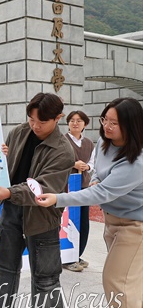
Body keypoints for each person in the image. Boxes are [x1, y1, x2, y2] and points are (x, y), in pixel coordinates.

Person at [37, 97, 143, 308]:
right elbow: (98, 174)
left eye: (114, 123)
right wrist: (94, 179)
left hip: (135, 227)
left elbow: (101, 194)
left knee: (118, 284)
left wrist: (58, 199)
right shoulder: (106, 144)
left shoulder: (136, 161)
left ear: (132, 124)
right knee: (131, 286)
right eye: (105, 119)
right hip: (113, 222)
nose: (107, 126)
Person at [0, 92, 74, 308]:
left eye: (41, 121)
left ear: (58, 118)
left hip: (43, 218)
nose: (35, 125)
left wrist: (9, 193)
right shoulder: (19, 132)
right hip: (11, 211)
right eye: (31, 119)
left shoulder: (63, 150)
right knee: (5, 266)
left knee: (46, 276)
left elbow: (42, 187)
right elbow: (6, 170)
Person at [63, 110, 96, 272]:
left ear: (85, 124)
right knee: (69, 222)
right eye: (72, 120)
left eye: (79, 120)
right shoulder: (62, 140)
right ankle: (67, 257)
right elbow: (58, 160)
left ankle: (77, 254)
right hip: (67, 187)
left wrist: (87, 166)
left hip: (84, 187)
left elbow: (93, 161)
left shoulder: (89, 142)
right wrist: (73, 164)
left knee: (83, 222)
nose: (75, 123)